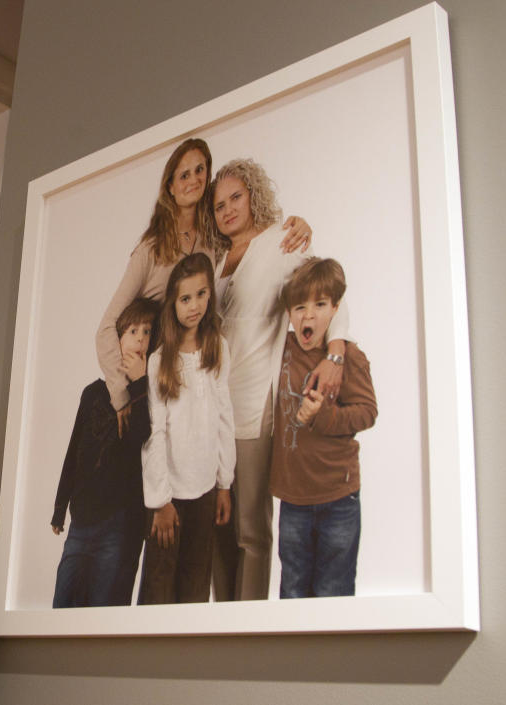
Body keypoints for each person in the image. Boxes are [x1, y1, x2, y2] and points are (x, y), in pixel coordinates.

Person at [95, 139, 311, 601]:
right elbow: (108, 328)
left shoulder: (222, 247)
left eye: (201, 173)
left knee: (217, 530)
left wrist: (297, 225)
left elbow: (310, 282)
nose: (193, 182)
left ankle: (226, 622)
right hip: (154, 389)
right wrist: (123, 395)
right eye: (183, 173)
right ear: (169, 186)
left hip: (217, 393)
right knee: (152, 535)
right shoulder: (153, 249)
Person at [209, 158, 350, 601]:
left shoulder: (278, 244)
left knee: (250, 527)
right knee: (217, 526)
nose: (228, 209)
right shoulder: (213, 262)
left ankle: (247, 628)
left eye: (236, 197)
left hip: (254, 407)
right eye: (218, 205)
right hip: (212, 411)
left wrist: (336, 350)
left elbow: (330, 289)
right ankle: (221, 626)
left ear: (253, 195)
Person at [270, 258, 377, 597]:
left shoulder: (349, 358)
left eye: (320, 305)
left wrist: (324, 417)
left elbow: (367, 412)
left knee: (334, 591)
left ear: (335, 310)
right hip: (293, 500)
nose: (309, 316)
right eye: (299, 307)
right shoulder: (281, 349)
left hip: (339, 498)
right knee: (293, 590)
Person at [138, 253, 235, 604]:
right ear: (173, 303)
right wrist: (161, 501)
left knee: (196, 583)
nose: (194, 305)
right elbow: (154, 434)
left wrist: (225, 484)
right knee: (159, 586)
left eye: (201, 294)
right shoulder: (159, 361)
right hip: (170, 496)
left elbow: (225, 418)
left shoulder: (218, 349)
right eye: (185, 298)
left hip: (206, 491)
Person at [51, 297, 160, 608]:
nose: (140, 339)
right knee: (64, 600)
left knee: (105, 604)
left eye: (147, 332)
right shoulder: (93, 393)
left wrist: (141, 382)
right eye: (133, 331)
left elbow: (142, 435)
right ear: (118, 338)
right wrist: (60, 507)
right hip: (82, 519)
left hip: (119, 524)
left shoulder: (149, 392)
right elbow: (74, 452)